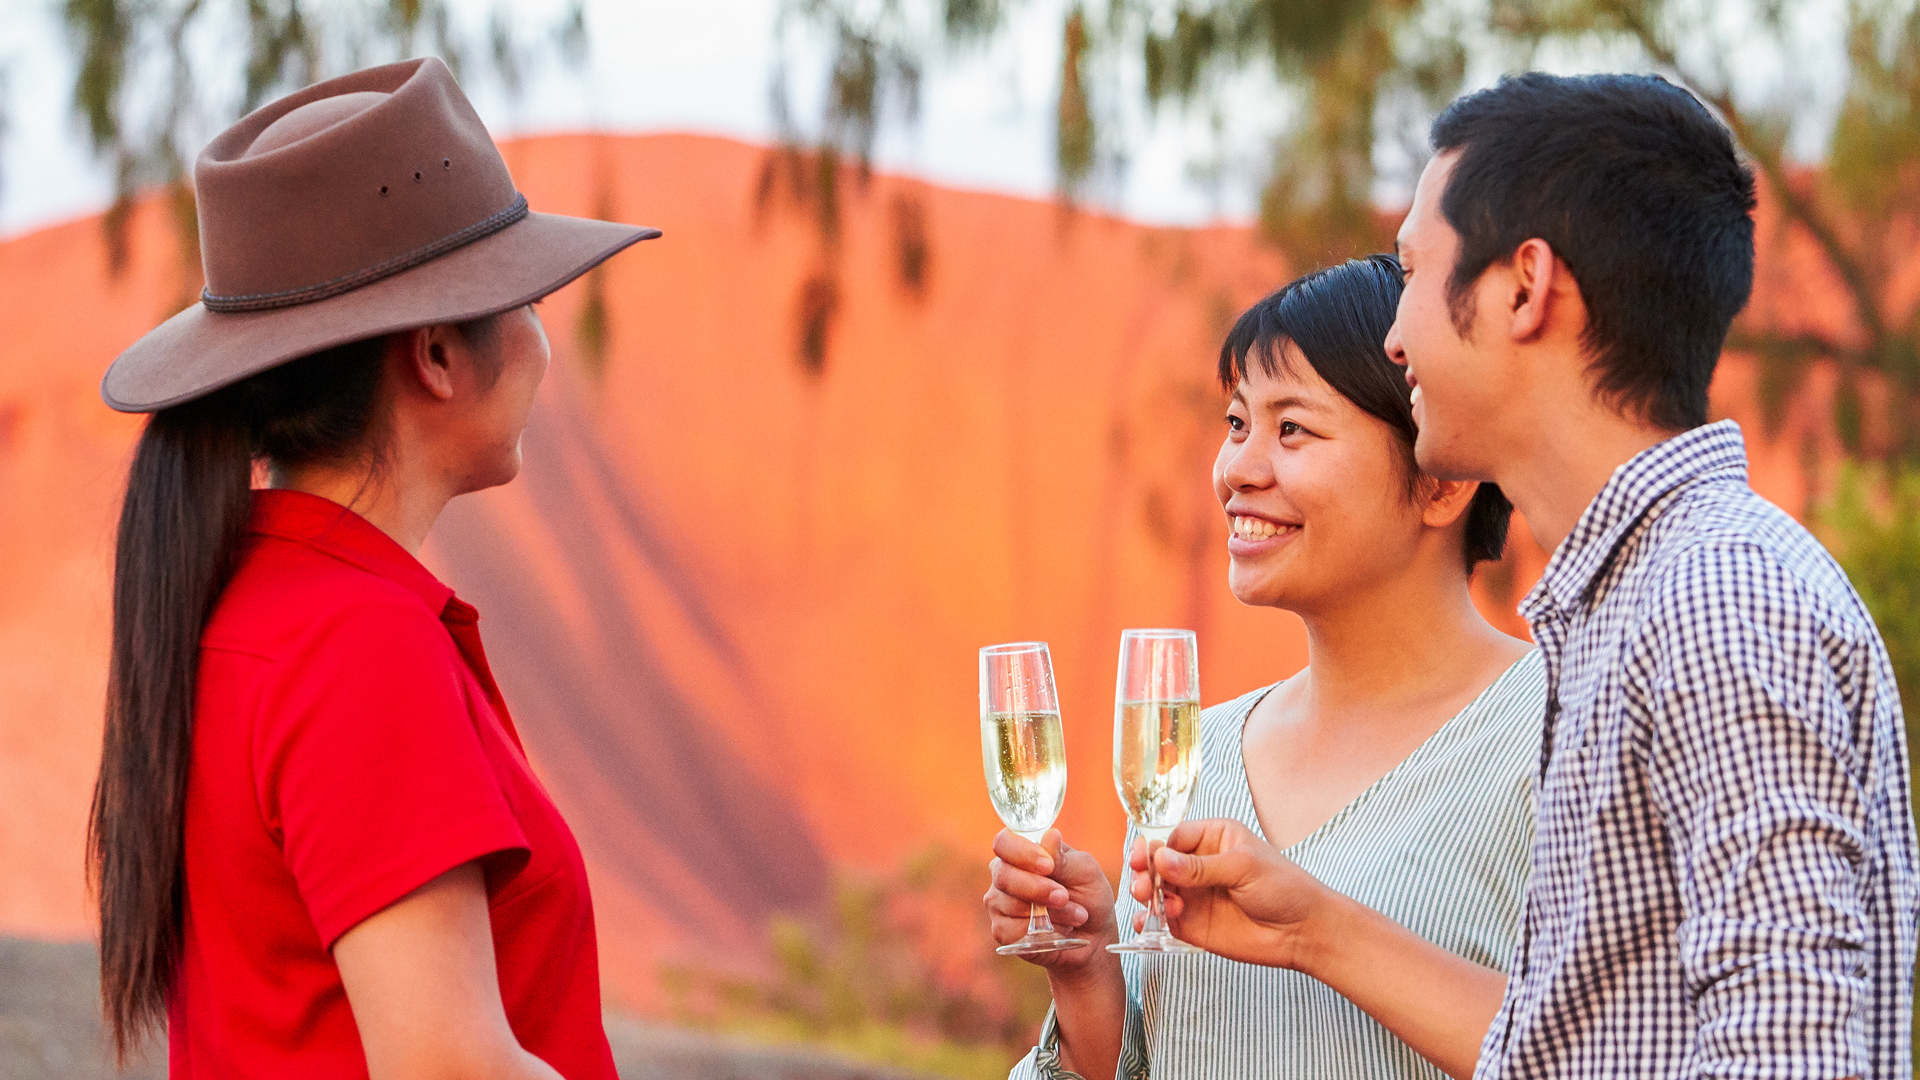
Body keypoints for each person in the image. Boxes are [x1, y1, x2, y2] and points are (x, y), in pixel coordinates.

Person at [1135, 72, 1917, 1080]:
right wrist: (1308, 932)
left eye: (1415, 272)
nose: (1393, 335)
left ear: (1524, 288)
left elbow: (1789, 1051)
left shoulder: (1716, 595)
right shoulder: (1629, 605)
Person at [89, 58, 658, 1079]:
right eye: (522, 301)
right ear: (437, 355)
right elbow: (448, 1064)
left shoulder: (245, 607)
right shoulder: (357, 645)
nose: (542, 344)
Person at [983, 256, 1547, 1080]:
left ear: (1442, 480)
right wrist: (1088, 979)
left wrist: (1319, 931)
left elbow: (1616, 1053)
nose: (1239, 471)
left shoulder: (1561, 730)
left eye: (1293, 430)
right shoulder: (1186, 761)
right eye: (1238, 422)